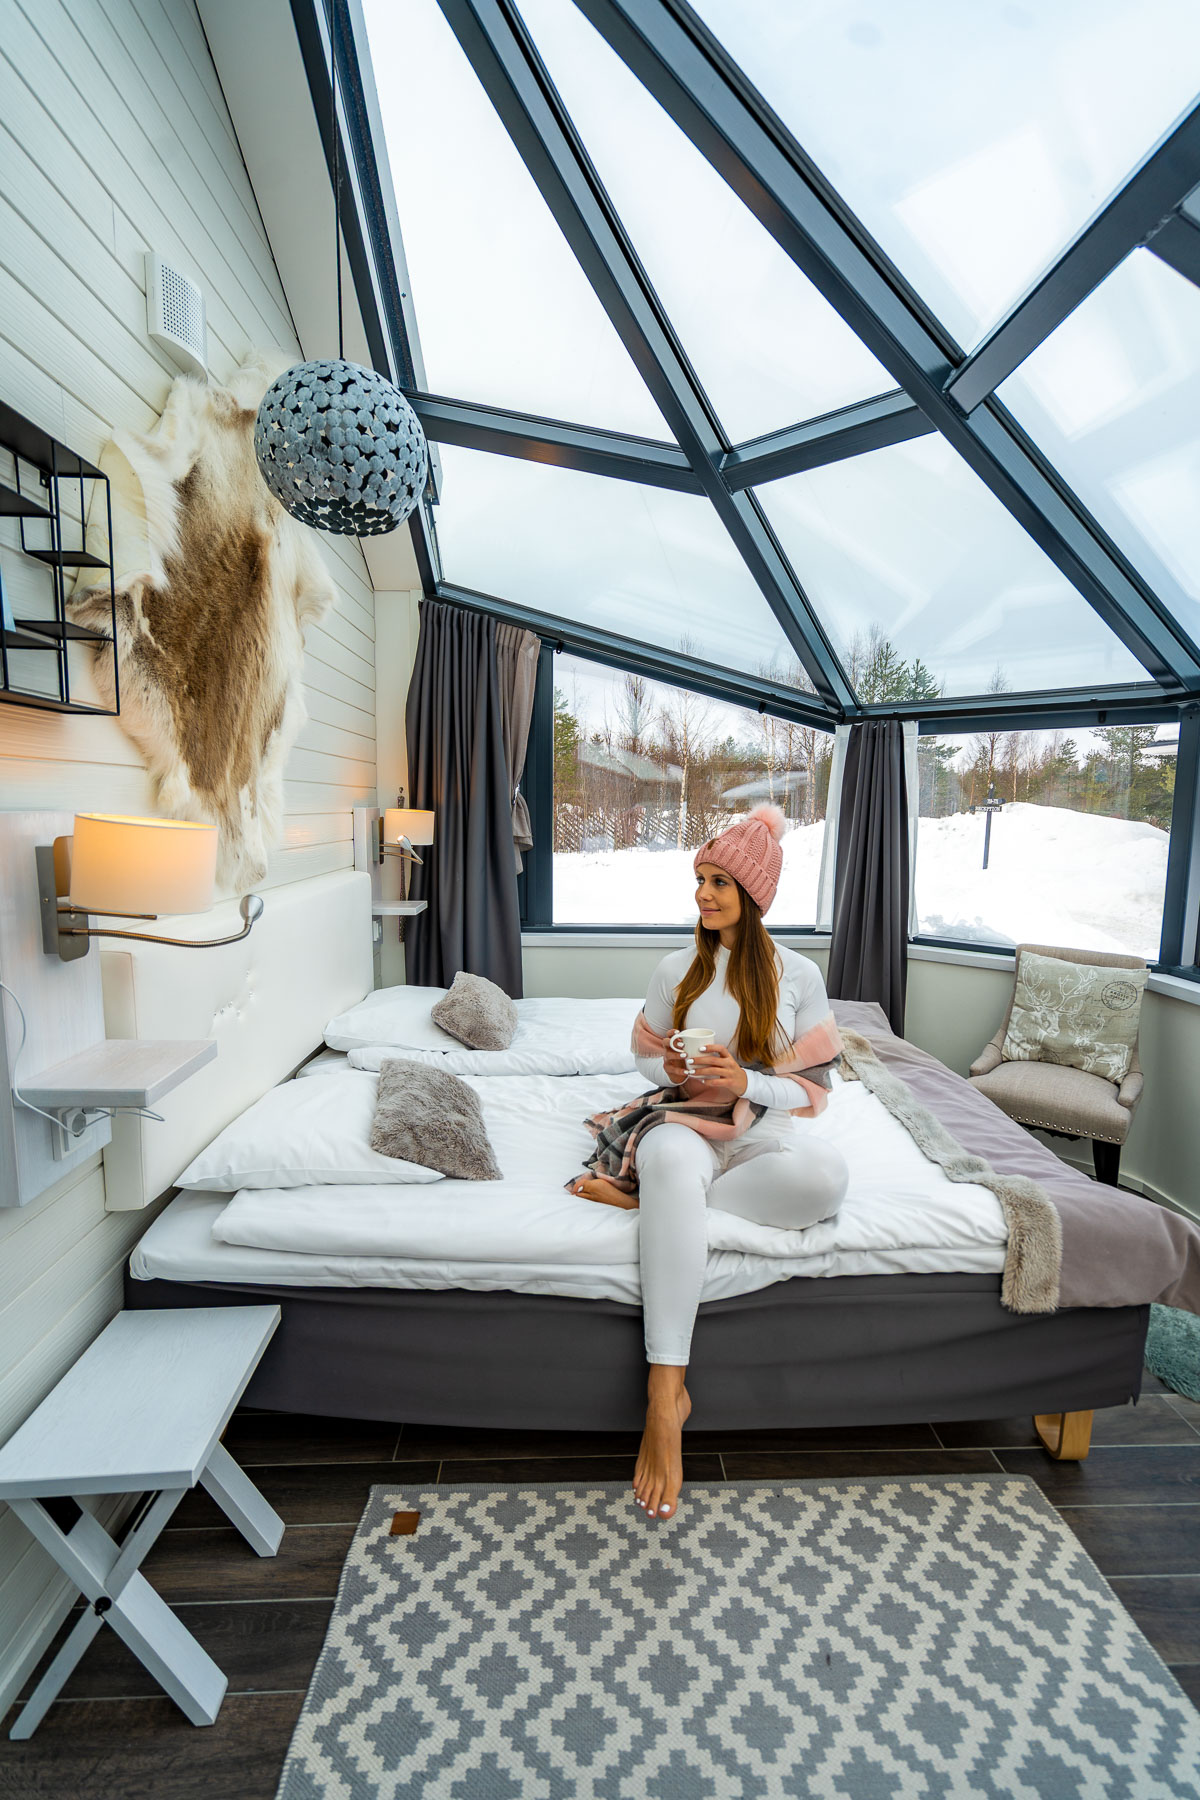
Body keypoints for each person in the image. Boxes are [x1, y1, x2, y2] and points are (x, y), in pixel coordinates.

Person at [567, 804, 850, 1525]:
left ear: (752, 894)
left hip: (760, 1132)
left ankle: (658, 1210)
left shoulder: (798, 975)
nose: (703, 894)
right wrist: (666, 1065)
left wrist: (747, 1081)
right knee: (666, 1154)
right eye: (700, 879)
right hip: (688, 1123)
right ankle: (666, 1397)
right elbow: (644, 1054)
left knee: (826, 1179)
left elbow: (814, 1092)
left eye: (720, 881)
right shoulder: (677, 968)